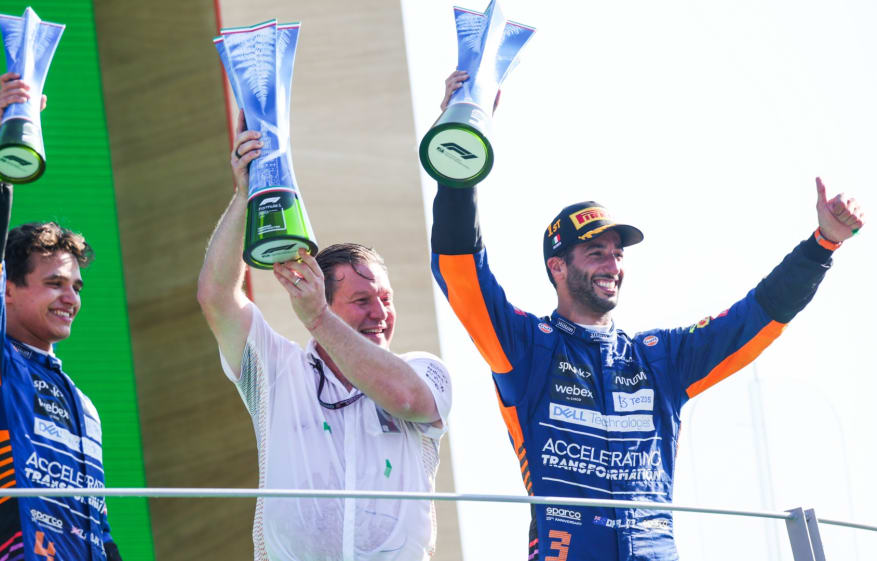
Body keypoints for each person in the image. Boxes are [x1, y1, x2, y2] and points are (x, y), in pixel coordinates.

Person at [429, 71, 865, 561]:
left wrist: (821, 245)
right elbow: (461, 271)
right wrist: (458, 150)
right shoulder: (527, 347)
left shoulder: (659, 359)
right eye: (595, 252)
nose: (612, 265)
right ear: (557, 266)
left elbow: (755, 316)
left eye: (617, 254)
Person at [197, 111, 452, 561]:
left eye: (386, 299)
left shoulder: (423, 370)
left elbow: (406, 400)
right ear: (327, 301)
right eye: (362, 301)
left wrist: (317, 319)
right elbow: (216, 297)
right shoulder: (278, 370)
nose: (380, 314)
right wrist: (243, 196)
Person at [0, 73, 122, 561]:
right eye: (54, 283)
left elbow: (100, 529)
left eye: (76, 287)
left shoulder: (84, 405)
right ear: (7, 290)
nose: (71, 298)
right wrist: (3, 158)